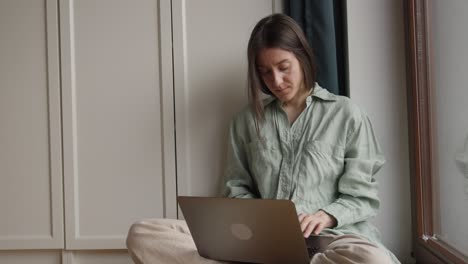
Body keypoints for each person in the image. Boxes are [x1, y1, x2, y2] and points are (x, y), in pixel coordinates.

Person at [126, 13, 400, 264]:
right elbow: (235, 188)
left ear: (303, 57)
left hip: (328, 240)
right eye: (265, 72)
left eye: (284, 67)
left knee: (373, 260)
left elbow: (362, 197)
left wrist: (325, 216)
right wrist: (258, 224)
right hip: (261, 241)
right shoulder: (246, 121)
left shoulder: (347, 114)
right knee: (143, 234)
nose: (276, 81)